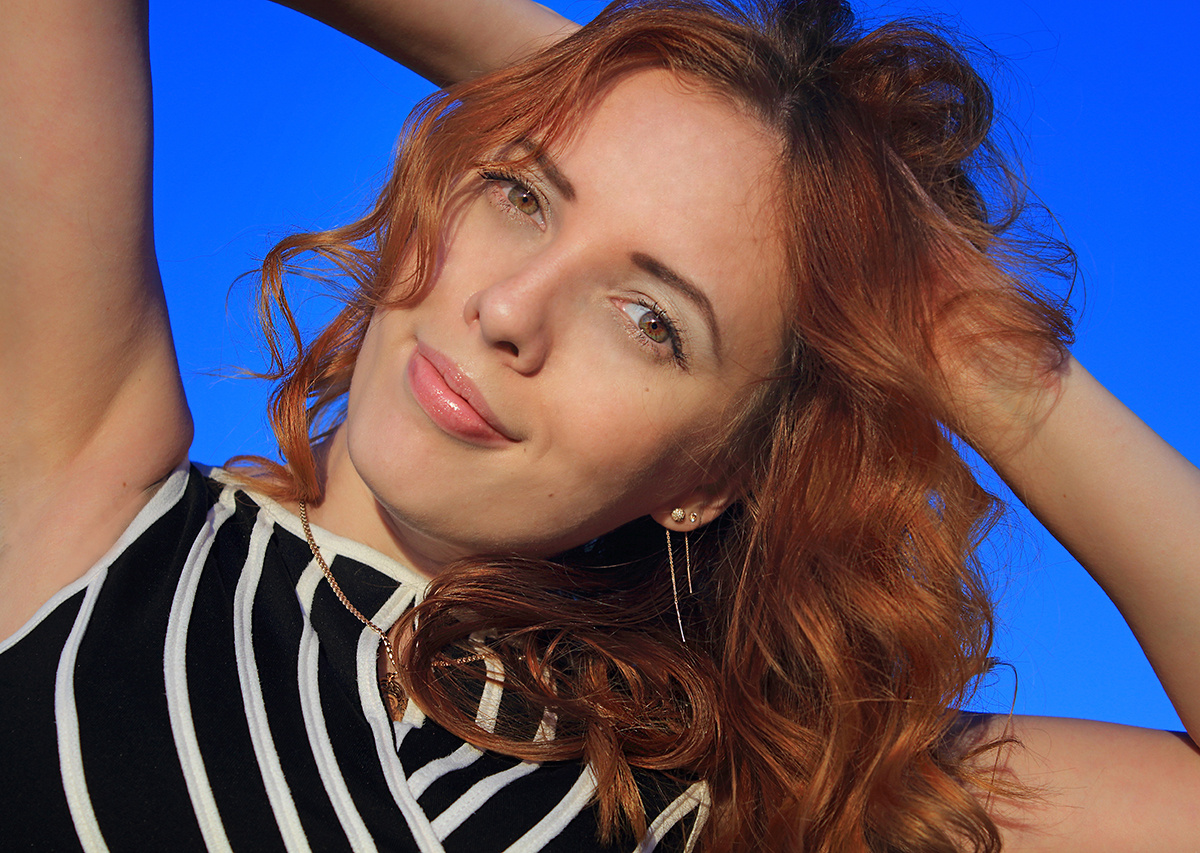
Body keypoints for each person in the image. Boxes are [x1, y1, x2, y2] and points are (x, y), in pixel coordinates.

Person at [2, 1, 1198, 853]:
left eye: (648, 319)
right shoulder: (87, 497)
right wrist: (568, 72)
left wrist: (970, 353)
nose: (509, 310)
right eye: (522, 192)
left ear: (712, 476)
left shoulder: (748, 806)